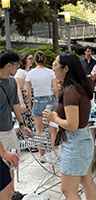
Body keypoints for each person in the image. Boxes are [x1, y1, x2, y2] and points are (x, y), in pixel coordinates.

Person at [43, 51, 96, 200]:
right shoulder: (77, 87)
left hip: (75, 143)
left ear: (66, 68)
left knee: (67, 189)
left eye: (55, 65)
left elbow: (72, 125)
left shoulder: (71, 91)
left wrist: (54, 117)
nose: (53, 68)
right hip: (82, 140)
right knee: (87, 181)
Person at [0, 49, 30, 200]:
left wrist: (22, 124)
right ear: (8, 65)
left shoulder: (11, 81)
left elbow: (15, 103)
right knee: (2, 167)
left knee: (11, 163)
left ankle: (12, 193)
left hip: (10, 129)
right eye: (16, 65)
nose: (17, 68)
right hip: (0, 134)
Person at [25, 51, 58, 157]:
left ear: (34, 61)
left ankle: (42, 155)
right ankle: (56, 153)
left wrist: (30, 107)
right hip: (51, 100)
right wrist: (57, 100)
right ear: (45, 60)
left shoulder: (29, 74)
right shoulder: (50, 72)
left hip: (37, 102)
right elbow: (56, 89)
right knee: (53, 129)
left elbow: (28, 93)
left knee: (40, 130)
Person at [14, 52, 36, 134]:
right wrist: (22, 103)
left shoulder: (33, 71)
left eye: (32, 59)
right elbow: (18, 88)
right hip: (25, 97)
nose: (31, 60)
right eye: (29, 58)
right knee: (29, 121)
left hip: (34, 97)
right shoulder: (20, 72)